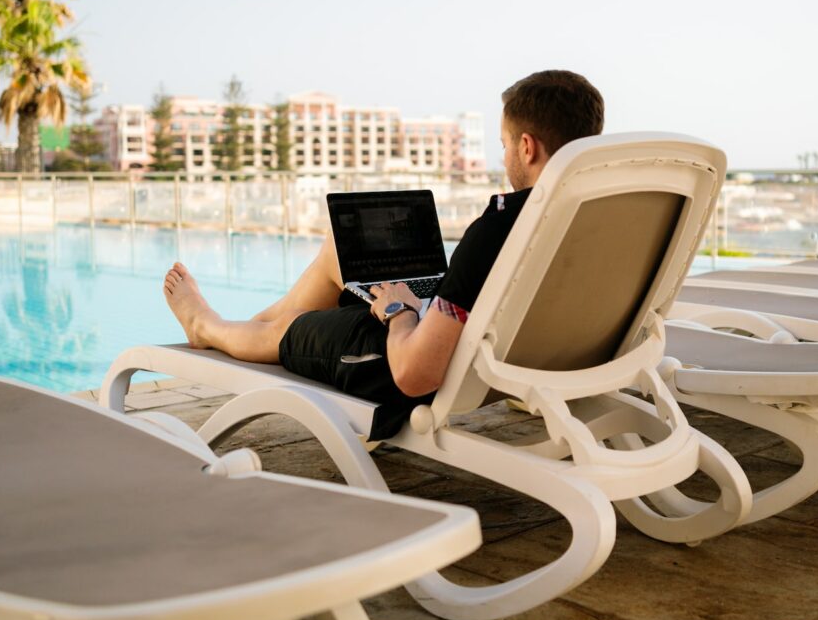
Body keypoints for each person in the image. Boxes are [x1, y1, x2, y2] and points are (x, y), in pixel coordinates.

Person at [163, 70, 605, 438]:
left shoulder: (499, 228)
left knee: (295, 328)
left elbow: (415, 374)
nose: (504, 154)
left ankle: (211, 327)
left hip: (406, 367)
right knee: (340, 252)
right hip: (519, 355)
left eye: (505, 144)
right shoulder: (604, 218)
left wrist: (399, 310)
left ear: (527, 147)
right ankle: (254, 328)